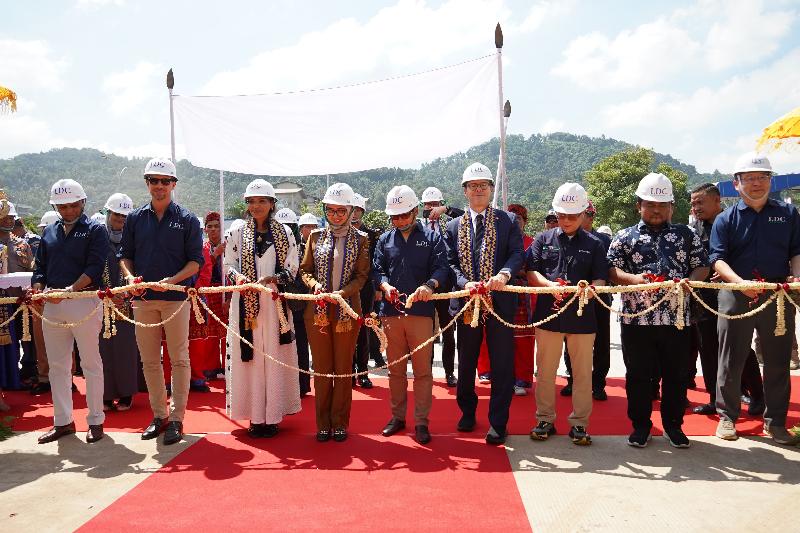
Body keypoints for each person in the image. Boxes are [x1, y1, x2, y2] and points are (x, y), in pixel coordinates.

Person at [608, 172, 708, 448]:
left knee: (676, 375)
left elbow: (702, 264)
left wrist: (691, 281)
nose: (655, 209)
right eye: (650, 204)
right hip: (636, 320)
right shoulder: (624, 236)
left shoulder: (686, 235)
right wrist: (632, 279)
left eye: (662, 204)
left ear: (672, 207)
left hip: (676, 319)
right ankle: (640, 426)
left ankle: (673, 426)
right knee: (638, 375)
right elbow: (611, 268)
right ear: (639, 204)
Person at [709, 152, 800, 445]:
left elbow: (797, 251)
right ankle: (727, 418)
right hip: (735, 295)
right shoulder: (726, 219)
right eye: (749, 178)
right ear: (736, 184)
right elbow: (717, 260)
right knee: (730, 360)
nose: (756, 183)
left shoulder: (788, 214)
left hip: (777, 296)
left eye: (762, 177)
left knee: (777, 361)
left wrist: (796, 276)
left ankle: (775, 423)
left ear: (771, 181)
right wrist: (739, 284)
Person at [119, 157, 204, 446]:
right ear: (147, 183)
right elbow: (125, 256)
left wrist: (172, 281)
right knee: (150, 361)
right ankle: (159, 416)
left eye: (164, 181)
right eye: (153, 180)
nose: (159, 186)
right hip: (143, 300)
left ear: (173, 184)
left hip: (176, 299)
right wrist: (130, 278)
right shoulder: (134, 219)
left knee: (179, 359)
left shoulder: (188, 220)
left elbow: (195, 263)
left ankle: (177, 419)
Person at [444, 162, 524, 445]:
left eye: (483, 186)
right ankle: (467, 412)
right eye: (472, 186)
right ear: (465, 191)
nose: (478, 190)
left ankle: (498, 422)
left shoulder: (508, 221)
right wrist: (464, 281)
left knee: (503, 364)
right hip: (466, 305)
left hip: (499, 304)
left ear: (491, 189)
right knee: (466, 363)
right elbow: (449, 263)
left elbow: (517, 254)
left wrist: (504, 273)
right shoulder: (453, 226)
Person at [527, 184, 608, 446]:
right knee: (546, 372)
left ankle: (580, 424)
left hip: (583, 319)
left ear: (584, 213)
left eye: (572, 216)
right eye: (561, 215)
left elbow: (601, 278)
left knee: (583, 374)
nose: (566, 220)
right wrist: (549, 287)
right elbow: (532, 272)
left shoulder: (596, 244)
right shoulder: (543, 239)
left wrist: (591, 290)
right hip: (548, 317)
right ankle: (545, 419)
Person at [33, 179, 109, 444]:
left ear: (82, 203)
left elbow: (95, 267)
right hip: (52, 304)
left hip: (84, 301)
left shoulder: (95, 230)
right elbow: (40, 267)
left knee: (90, 363)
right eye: (61, 207)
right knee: (57, 367)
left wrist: (69, 290)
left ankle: (96, 421)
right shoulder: (49, 232)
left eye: (72, 205)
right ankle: (63, 422)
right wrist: (39, 289)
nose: (67, 211)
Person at [223, 180, 301, 438]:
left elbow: (292, 267)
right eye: (252, 202)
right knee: (252, 356)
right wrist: (239, 279)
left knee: (274, 355)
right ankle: (255, 416)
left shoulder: (286, 233)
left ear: (271, 204)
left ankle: (273, 414)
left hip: (275, 303)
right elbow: (229, 265)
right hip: (246, 303)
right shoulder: (236, 233)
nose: (256, 206)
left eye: (262, 201)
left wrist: (275, 278)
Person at [374, 185, 450, 444]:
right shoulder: (385, 240)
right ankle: (397, 417)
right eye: (394, 217)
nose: (399, 221)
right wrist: (384, 285)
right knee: (395, 372)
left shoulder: (431, 238)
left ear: (416, 211)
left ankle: (421, 422)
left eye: (404, 215)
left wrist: (429, 285)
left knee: (422, 372)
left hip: (421, 312)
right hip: (391, 314)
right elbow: (377, 269)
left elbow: (442, 268)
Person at [300, 183, 370, 443]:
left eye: (342, 211)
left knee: (342, 369)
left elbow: (362, 276)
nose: (337, 215)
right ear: (325, 211)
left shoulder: (362, 239)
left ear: (351, 211)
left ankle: (339, 423)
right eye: (331, 210)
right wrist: (316, 285)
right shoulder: (315, 237)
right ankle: (322, 424)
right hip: (316, 311)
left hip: (346, 311)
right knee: (321, 369)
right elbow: (305, 270)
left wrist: (342, 293)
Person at [688, 183, 764, 416]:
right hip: (704, 299)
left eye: (700, 202)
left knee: (739, 347)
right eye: (692, 203)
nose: (695, 208)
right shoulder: (694, 229)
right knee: (708, 349)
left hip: (732, 295)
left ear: (717, 201)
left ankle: (758, 395)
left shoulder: (733, 224)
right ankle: (715, 398)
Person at [562, 200, 613, 401]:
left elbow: (609, 268)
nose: (586, 219)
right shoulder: (565, 238)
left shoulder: (603, 240)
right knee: (570, 340)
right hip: (573, 299)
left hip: (599, 298)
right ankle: (572, 380)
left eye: (589, 215)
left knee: (601, 342)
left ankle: (598, 383)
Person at [98, 193, 140, 412]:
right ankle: (105, 394)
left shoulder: (133, 238)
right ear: (108, 213)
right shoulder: (97, 238)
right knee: (102, 349)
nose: (120, 219)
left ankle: (125, 393)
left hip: (127, 303)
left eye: (125, 216)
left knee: (126, 349)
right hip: (100, 303)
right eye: (116, 214)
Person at [421, 186, 462, 387]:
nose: (431, 208)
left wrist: (446, 210)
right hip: (424, 285)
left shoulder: (450, 224)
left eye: (435, 204)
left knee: (448, 330)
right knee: (425, 332)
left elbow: (465, 216)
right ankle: (426, 372)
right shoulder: (418, 225)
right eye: (427, 205)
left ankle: (449, 373)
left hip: (446, 284)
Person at [350, 192, 384, 388]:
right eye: (351, 210)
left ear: (362, 212)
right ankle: (349, 371)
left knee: (364, 330)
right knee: (345, 331)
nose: (354, 215)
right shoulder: (340, 234)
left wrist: (378, 287)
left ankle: (362, 372)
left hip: (366, 290)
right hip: (345, 290)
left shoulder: (372, 235)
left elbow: (376, 264)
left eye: (358, 211)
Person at [29, 211, 60, 396]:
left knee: (65, 341)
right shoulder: (41, 248)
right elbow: (37, 270)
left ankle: (68, 375)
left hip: (60, 297)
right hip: (42, 298)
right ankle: (44, 377)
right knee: (41, 341)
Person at [506, 203, 535, 396]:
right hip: (505, 293)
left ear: (525, 222)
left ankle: (522, 379)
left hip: (524, 296)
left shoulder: (532, 242)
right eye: (512, 219)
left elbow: (536, 268)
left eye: (519, 219)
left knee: (523, 340)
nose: (516, 223)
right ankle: (504, 378)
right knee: (503, 339)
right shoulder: (501, 241)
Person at [198, 212, 228, 381]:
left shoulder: (229, 246)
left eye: (217, 226)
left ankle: (227, 364)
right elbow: (202, 270)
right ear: (205, 229)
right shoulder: (203, 248)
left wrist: (229, 296)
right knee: (209, 332)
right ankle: (210, 366)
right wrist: (214, 255)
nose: (214, 230)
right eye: (210, 226)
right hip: (208, 293)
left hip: (224, 291)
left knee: (225, 331)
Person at [295, 212, 318, 396]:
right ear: (300, 229)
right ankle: (302, 385)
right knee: (300, 346)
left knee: (319, 347)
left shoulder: (322, 246)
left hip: (318, 302)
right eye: (306, 227)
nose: (310, 230)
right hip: (298, 304)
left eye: (313, 227)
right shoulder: (294, 248)